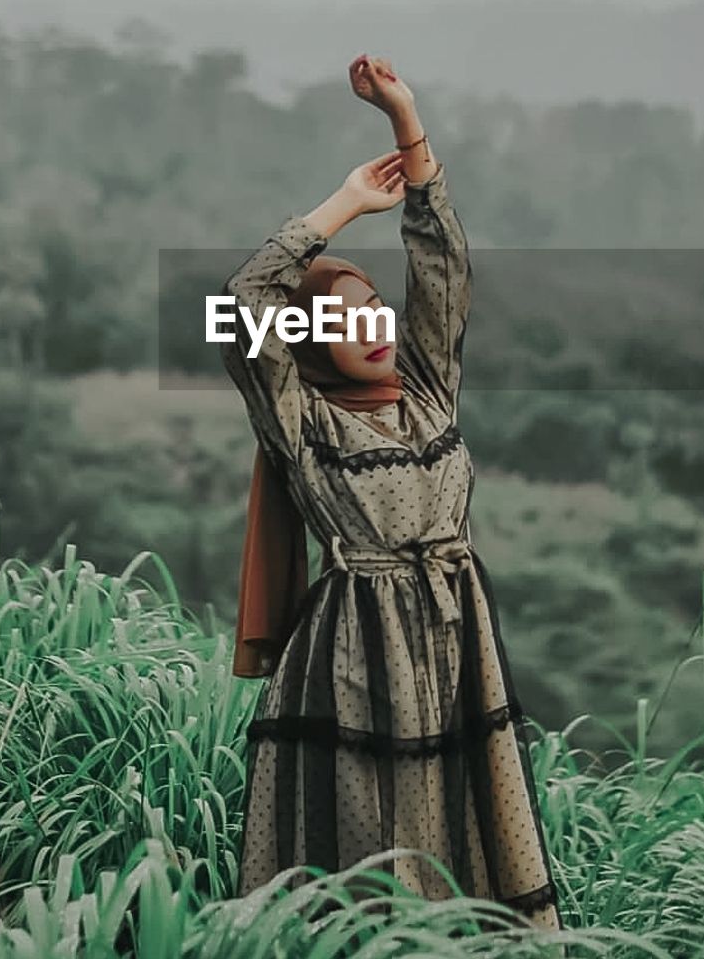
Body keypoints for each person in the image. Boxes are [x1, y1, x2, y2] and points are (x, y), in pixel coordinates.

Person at [220, 54, 563, 932]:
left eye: (374, 309)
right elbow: (245, 298)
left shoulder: (428, 391)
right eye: (340, 318)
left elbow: (442, 264)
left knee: (473, 827)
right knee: (378, 845)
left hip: (457, 635)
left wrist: (406, 127)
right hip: (355, 654)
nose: (369, 327)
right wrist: (341, 207)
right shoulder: (305, 424)